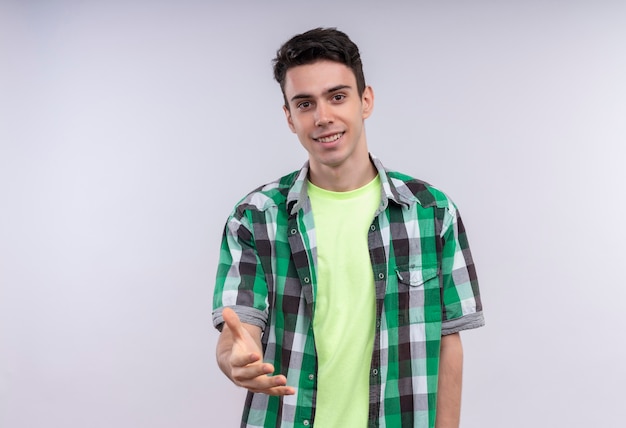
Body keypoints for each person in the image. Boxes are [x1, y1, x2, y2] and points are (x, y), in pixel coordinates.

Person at [212, 27, 484, 428]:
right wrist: (235, 360)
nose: (323, 117)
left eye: (337, 96)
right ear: (289, 117)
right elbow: (239, 330)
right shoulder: (255, 216)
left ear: (365, 100)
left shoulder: (431, 211)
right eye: (305, 103)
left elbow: (448, 343)